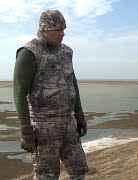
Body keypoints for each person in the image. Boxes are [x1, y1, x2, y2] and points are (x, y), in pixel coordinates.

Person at [13, 9, 89, 179]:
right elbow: (19, 92)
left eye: (64, 29)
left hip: (68, 122)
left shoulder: (66, 52)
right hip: (43, 126)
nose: (63, 34)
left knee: (79, 169)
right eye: (58, 30)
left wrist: (80, 115)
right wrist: (26, 131)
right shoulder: (29, 52)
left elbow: (72, 83)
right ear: (45, 29)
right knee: (46, 175)